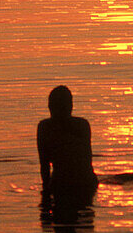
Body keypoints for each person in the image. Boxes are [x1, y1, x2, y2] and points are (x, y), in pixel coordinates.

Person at [38, 86, 98, 214]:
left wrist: (46, 192)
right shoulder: (82, 125)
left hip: (67, 183)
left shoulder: (45, 127)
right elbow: (88, 159)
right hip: (81, 182)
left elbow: (44, 166)